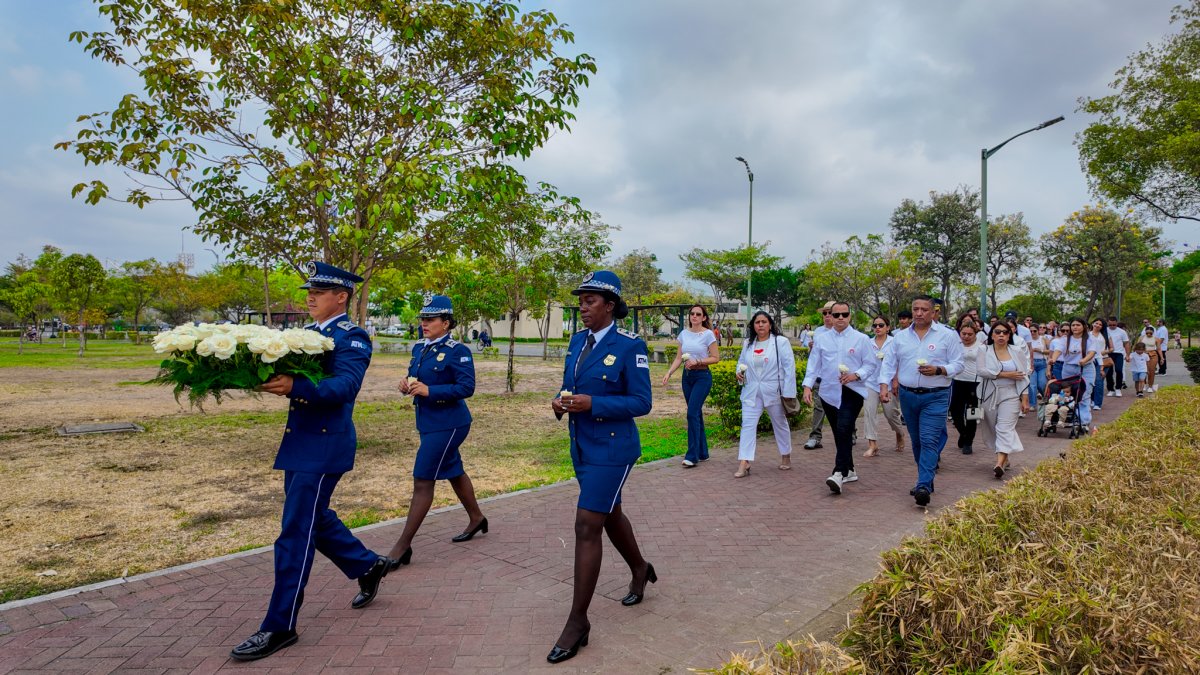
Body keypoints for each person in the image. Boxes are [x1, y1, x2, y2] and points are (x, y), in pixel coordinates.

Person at [231, 262, 391, 661]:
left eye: (319, 292)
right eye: (309, 291)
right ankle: (367, 565)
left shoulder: (351, 336)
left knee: (295, 532)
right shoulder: (306, 336)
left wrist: (295, 386)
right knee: (313, 520)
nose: (310, 297)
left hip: (323, 446)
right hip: (299, 443)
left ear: (342, 297)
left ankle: (279, 625)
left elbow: (344, 386)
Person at [548, 270, 654, 664]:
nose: (583, 306)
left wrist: (595, 404)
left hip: (613, 450)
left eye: (591, 300)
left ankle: (578, 622)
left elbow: (642, 403)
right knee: (610, 516)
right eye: (581, 300)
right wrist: (560, 402)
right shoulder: (577, 342)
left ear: (610, 306)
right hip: (581, 447)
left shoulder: (630, 345)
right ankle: (641, 568)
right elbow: (568, 386)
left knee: (587, 523)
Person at [386, 295, 488, 572]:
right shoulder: (420, 347)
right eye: (422, 319)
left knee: (423, 479)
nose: (424, 323)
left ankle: (402, 546)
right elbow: (415, 374)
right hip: (428, 421)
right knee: (453, 469)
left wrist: (432, 391)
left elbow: (467, 387)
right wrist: (406, 384)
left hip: (450, 422)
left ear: (446, 322)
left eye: (430, 319)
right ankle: (477, 517)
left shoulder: (458, 350)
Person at [878, 295, 964, 507]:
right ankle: (925, 479)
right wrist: (884, 386)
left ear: (934, 312)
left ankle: (923, 484)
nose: (918, 313)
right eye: (915, 309)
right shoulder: (900, 337)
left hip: (936, 395)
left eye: (923, 310)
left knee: (929, 440)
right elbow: (889, 363)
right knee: (916, 441)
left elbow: (959, 363)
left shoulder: (947, 335)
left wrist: (940, 370)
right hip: (907, 395)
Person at [802, 302, 876, 494]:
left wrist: (856, 375)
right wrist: (807, 386)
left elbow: (870, 364)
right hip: (828, 392)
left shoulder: (861, 339)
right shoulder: (822, 339)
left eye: (844, 314)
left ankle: (838, 472)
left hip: (852, 391)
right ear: (830, 317)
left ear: (850, 316)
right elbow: (814, 364)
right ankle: (850, 469)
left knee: (844, 427)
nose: (840, 318)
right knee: (838, 432)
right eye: (836, 315)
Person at [735, 311, 796, 476]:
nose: (760, 325)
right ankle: (744, 461)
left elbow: (789, 368)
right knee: (747, 425)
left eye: (764, 322)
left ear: (770, 324)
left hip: (774, 391)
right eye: (757, 322)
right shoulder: (748, 343)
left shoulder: (780, 342)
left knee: (780, 423)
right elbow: (741, 362)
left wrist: (789, 393)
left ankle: (785, 455)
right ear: (753, 326)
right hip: (751, 391)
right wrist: (738, 373)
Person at [661, 304, 719, 467]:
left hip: (702, 376)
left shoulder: (708, 335)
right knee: (696, 414)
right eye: (692, 313)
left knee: (692, 413)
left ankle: (692, 456)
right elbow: (679, 358)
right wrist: (669, 373)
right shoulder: (684, 334)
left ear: (704, 318)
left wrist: (698, 361)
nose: (694, 316)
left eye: (698, 314)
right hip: (687, 378)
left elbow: (715, 357)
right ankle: (703, 453)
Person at [976, 323, 1031, 478]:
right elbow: (981, 371)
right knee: (992, 428)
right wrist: (1005, 374)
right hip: (989, 394)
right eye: (997, 332)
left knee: (1004, 428)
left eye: (1005, 332)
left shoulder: (1016, 350)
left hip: (1011, 394)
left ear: (1009, 335)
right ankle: (1005, 459)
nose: (1001, 335)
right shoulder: (984, 349)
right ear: (992, 335)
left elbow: (1023, 375)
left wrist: (1025, 399)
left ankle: (999, 463)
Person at [861, 315, 906, 457]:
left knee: (891, 414)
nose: (878, 328)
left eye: (881, 325)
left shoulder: (894, 342)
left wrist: (896, 380)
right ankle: (872, 444)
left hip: (889, 384)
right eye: (875, 325)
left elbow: (900, 361)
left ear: (888, 327)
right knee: (869, 412)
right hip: (870, 382)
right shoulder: (867, 343)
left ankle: (899, 433)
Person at [1050, 318, 1096, 431]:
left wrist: (1084, 360)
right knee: (1068, 394)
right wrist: (1053, 359)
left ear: (1084, 326)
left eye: (1078, 325)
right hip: (1068, 368)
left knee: (1084, 394)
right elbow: (1058, 350)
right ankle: (1070, 418)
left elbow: (1092, 352)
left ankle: (1083, 422)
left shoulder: (1090, 338)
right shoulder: (1065, 339)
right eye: (1073, 325)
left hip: (1086, 368)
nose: (1075, 327)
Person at [803, 301, 837, 450]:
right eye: (825, 313)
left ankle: (851, 433)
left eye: (831, 313)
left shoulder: (845, 333)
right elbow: (814, 359)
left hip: (839, 378)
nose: (828, 316)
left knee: (843, 408)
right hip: (821, 377)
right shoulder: (818, 332)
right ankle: (815, 437)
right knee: (819, 407)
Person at [950, 319, 984, 455]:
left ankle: (968, 441)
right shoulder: (955, 345)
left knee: (972, 413)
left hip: (975, 382)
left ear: (975, 334)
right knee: (955, 411)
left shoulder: (981, 347)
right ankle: (963, 433)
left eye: (970, 334)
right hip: (957, 380)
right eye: (963, 334)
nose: (966, 337)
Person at [1088, 319, 1112, 411]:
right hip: (1089, 360)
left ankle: (1097, 403)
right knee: (1090, 381)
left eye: (1100, 324)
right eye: (1096, 323)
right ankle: (1091, 399)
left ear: (1102, 327)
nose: (1097, 325)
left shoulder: (1105, 335)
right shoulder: (1087, 334)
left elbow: (1111, 348)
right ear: (1093, 323)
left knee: (1098, 381)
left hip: (1102, 360)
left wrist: (1104, 352)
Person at [1106, 316, 1130, 397]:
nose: (1112, 326)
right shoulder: (1105, 330)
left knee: (1119, 370)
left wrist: (1127, 355)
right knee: (1109, 372)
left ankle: (1118, 388)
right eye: (1110, 325)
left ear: (1116, 323)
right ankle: (1110, 389)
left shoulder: (1122, 332)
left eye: (1114, 325)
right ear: (1108, 323)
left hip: (1119, 353)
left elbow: (1126, 343)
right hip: (1108, 353)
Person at [1028, 323, 1051, 403]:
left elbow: (1051, 351)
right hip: (1031, 363)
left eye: (1034, 331)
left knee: (1042, 384)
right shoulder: (1027, 340)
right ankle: (1032, 404)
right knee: (1032, 385)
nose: (1032, 333)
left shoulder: (1043, 339)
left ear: (1038, 331)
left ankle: (1046, 397)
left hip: (1042, 363)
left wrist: (1040, 350)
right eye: (1030, 331)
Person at [1136, 325, 1161, 392]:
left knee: (1151, 371)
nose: (1149, 334)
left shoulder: (1156, 339)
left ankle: (1150, 386)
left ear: (1153, 333)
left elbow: (1159, 349)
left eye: (1150, 333)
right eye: (1147, 333)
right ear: (1145, 332)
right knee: (1143, 370)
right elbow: (1137, 347)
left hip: (1153, 355)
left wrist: (1162, 358)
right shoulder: (1141, 338)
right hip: (1143, 355)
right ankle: (1143, 384)